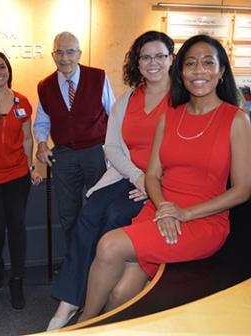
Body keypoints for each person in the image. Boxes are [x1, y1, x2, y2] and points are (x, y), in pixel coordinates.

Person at [78, 34, 251, 323]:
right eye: (191, 64)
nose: (198, 71)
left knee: (109, 245)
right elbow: (153, 175)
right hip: (159, 211)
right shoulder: (170, 115)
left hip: (203, 220)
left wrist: (184, 213)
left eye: (208, 63)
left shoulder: (236, 119)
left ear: (221, 71)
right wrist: (164, 208)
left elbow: (244, 189)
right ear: (180, 72)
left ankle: (83, 324)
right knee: (121, 293)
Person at [47, 31, 174, 330]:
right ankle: (69, 304)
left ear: (172, 60)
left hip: (162, 183)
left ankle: (93, 306)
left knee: (115, 216)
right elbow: (113, 148)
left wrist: (153, 183)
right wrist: (138, 177)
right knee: (90, 211)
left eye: (159, 56)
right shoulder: (128, 98)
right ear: (136, 61)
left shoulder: (182, 101)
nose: (152, 62)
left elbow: (186, 152)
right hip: (127, 175)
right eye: (145, 56)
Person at [34, 31, 115, 248]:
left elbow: (114, 115)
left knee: (99, 206)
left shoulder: (98, 78)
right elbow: (41, 122)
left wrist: (115, 152)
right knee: (68, 213)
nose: (65, 58)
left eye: (70, 52)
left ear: (79, 54)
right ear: (53, 55)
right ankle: (75, 259)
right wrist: (42, 143)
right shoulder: (45, 86)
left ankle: (101, 257)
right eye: (59, 52)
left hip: (96, 152)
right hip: (64, 154)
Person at [0, 51, 42, 310]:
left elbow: (27, 138)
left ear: (8, 69)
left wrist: (31, 167)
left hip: (16, 174)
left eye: (1, 67)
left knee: (16, 224)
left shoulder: (21, 101)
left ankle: (17, 279)